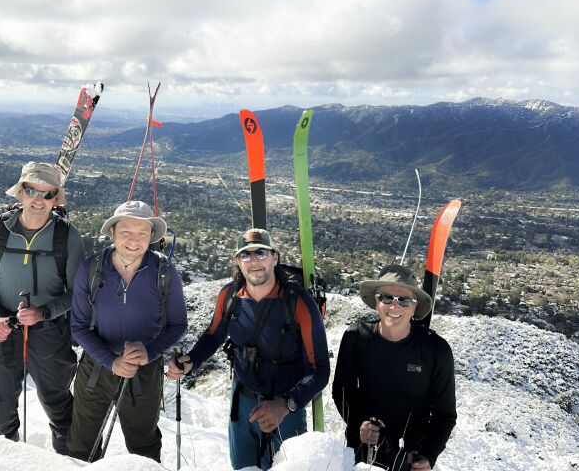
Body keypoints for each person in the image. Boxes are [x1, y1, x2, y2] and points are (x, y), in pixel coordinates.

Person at [168, 228, 330, 471]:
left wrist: (285, 405)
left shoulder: (298, 304)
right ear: (237, 262)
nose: (254, 262)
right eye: (246, 255)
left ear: (275, 257)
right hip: (242, 404)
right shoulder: (230, 296)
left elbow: (319, 371)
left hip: (287, 408)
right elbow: (214, 336)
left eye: (261, 253)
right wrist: (191, 361)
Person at [0, 161, 84, 454]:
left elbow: (77, 292)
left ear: (55, 200)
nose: (39, 199)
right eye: (33, 191)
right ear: (20, 193)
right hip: (5, 328)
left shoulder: (67, 237)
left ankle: (69, 458)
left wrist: (44, 312)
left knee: (57, 400)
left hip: (50, 330)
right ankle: (3, 456)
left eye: (48, 194)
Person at [67, 200, 187, 462]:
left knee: (144, 449)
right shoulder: (91, 269)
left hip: (144, 371)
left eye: (142, 234)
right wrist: (111, 361)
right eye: (126, 233)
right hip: (97, 367)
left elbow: (178, 324)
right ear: (112, 232)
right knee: (81, 448)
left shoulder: (164, 271)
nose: (134, 241)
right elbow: (78, 326)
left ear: (151, 237)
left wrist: (150, 352)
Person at [332, 264, 457, 470]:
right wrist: (358, 425)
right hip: (362, 452)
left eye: (404, 300)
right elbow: (342, 392)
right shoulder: (356, 338)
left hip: (410, 459)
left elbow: (445, 415)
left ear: (415, 307)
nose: (394, 306)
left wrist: (429, 455)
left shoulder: (436, 350)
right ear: (376, 301)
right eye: (387, 298)